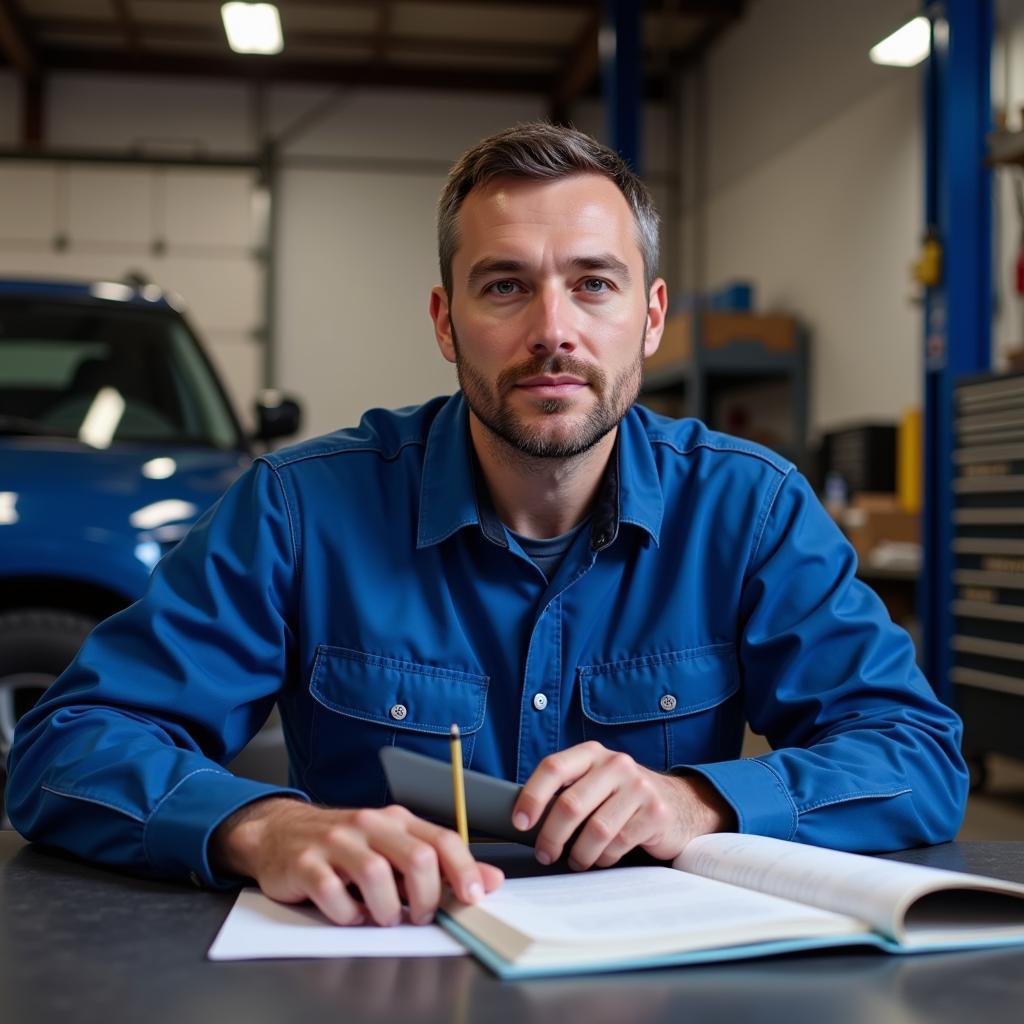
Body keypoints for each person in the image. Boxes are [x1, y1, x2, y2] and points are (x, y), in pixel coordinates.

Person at [6, 123, 967, 930]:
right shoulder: (300, 509)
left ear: (651, 317)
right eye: (506, 285)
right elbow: (69, 742)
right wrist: (260, 827)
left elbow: (914, 752)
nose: (554, 328)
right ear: (445, 320)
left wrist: (701, 800)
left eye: (595, 283)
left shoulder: (749, 509)